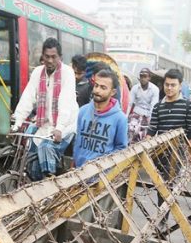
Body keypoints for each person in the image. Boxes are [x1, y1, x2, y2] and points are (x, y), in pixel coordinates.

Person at [12, 38, 78, 180]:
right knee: (30, 150)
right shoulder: (37, 72)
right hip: (44, 124)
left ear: (60, 57)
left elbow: (65, 102)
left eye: (53, 57)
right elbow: (28, 97)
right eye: (47, 56)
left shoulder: (67, 73)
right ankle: (36, 183)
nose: (49, 60)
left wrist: (60, 127)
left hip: (65, 125)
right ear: (42, 56)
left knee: (45, 148)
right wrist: (17, 121)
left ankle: (50, 186)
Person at [146, 69, 191, 212]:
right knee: (159, 183)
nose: (169, 88)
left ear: (180, 86)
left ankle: (163, 215)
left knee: (168, 184)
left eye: (173, 85)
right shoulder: (158, 106)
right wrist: (144, 149)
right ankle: (162, 213)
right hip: (159, 151)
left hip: (177, 153)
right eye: (167, 84)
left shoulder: (189, 106)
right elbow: (152, 130)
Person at [73, 68, 128, 168]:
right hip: (78, 173)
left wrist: (103, 168)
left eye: (103, 88)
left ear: (113, 92)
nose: (97, 90)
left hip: (102, 176)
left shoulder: (120, 119)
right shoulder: (83, 111)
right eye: (96, 86)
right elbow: (78, 141)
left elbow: (121, 149)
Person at [128, 68, 159, 142]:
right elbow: (130, 104)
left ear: (149, 78)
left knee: (143, 137)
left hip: (147, 115)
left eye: (145, 77)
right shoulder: (135, 88)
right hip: (136, 114)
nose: (143, 79)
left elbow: (153, 106)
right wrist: (125, 116)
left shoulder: (155, 89)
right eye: (141, 76)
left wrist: (150, 120)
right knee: (131, 131)